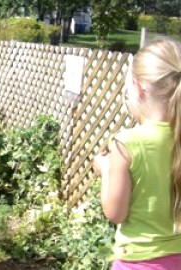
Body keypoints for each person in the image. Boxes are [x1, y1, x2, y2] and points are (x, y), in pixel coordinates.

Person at [94, 38, 181, 269]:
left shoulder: (127, 143)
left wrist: (105, 170)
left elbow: (115, 213)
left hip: (138, 262)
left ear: (139, 87)